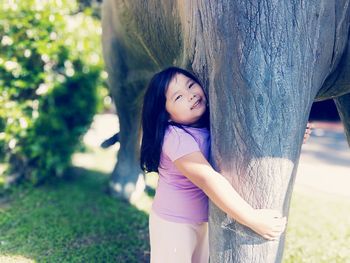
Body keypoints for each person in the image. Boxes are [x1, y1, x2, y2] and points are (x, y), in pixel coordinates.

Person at [140, 67, 312, 263]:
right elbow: (208, 178)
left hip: (202, 220)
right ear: (166, 114)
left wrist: (292, 136)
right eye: (178, 97)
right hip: (174, 224)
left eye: (190, 85)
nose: (190, 95)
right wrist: (251, 218)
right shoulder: (175, 137)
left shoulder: (208, 123)